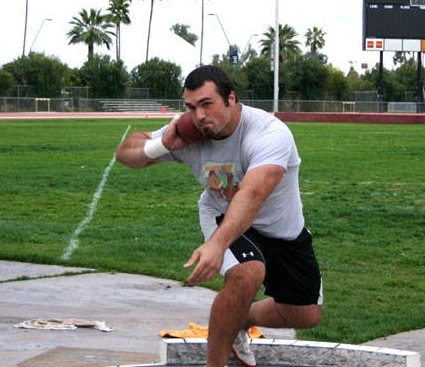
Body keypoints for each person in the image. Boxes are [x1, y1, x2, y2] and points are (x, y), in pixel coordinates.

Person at [116, 65, 323, 367]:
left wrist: (216, 246)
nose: (198, 116)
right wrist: (162, 144)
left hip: (281, 229)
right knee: (247, 272)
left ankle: (240, 318)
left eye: (206, 104)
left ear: (231, 99)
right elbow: (126, 154)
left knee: (305, 314)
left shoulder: (269, 133)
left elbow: (252, 194)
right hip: (221, 215)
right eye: (191, 106)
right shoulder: (188, 133)